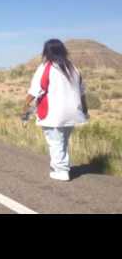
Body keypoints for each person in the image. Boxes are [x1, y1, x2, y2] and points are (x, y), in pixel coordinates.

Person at [21, 39, 89, 182]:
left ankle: (61, 170)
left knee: (55, 141)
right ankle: (57, 166)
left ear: (46, 52)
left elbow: (35, 90)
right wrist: (85, 110)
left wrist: (25, 105)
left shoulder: (46, 67)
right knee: (62, 140)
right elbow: (82, 92)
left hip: (54, 112)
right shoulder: (73, 67)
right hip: (73, 112)